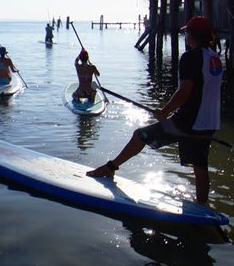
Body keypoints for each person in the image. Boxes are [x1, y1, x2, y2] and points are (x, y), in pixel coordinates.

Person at [87, 16, 223, 205]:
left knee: (140, 135)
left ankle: (111, 167)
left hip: (187, 123)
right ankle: (202, 206)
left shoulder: (190, 57)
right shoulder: (215, 58)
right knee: (200, 166)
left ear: (192, 35)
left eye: (187, 33)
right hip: (210, 123)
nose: (185, 36)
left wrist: (165, 111)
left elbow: (185, 91)